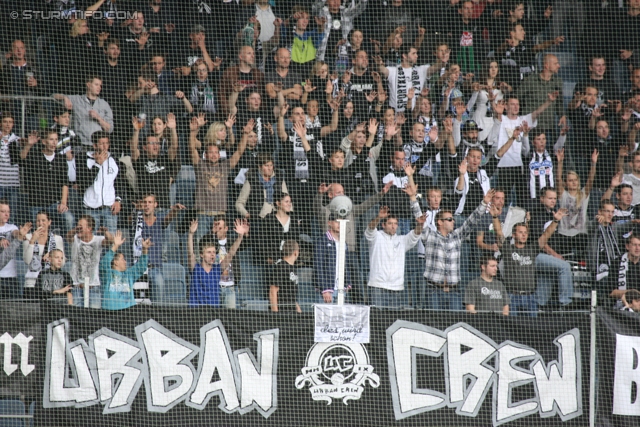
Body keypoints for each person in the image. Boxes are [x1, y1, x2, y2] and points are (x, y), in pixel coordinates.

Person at [420, 188, 495, 311]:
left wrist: (484, 203)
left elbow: (471, 221)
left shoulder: (456, 236)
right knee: (433, 326)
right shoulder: (430, 236)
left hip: (454, 292)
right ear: (439, 222)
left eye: (453, 219)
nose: (453, 221)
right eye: (449, 219)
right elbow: (419, 220)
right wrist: (413, 198)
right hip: (433, 292)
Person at [365, 205, 423, 308]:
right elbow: (370, 229)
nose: (393, 226)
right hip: (377, 286)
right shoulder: (376, 237)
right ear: (383, 225)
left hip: (396, 288)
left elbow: (415, 235)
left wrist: (420, 224)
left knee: (393, 321)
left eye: (395, 224)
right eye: (390, 223)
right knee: (376, 320)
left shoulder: (402, 240)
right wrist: (379, 217)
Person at [132, 194, 185, 304]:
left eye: (150, 202)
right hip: (138, 268)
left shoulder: (159, 220)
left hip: (155, 268)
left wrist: (174, 211)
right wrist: (135, 211)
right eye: (145, 202)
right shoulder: (137, 221)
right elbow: (129, 220)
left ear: (155, 205)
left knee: (158, 284)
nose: (147, 205)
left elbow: (168, 219)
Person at [18, 130, 74, 233]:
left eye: (56, 139)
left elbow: (64, 183)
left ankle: (65, 248)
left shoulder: (61, 159)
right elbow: (21, 159)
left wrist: (63, 203)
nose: (54, 142)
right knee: (36, 230)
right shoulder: (35, 156)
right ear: (44, 141)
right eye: (51, 139)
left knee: (69, 219)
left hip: (54, 204)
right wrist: (29, 145)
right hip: (36, 204)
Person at [187, 219, 249, 307]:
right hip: (196, 314)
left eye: (213, 252)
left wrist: (240, 237)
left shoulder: (217, 270)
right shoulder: (195, 268)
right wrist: (190, 234)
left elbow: (230, 254)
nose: (212, 255)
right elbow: (190, 254)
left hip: (213, 315)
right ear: (201, 254)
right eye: (209, 252)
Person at [76, 132, 124, 234]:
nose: (105, 146)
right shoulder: (83, 158)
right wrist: (97, 164)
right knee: (90, 240)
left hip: (109, 207)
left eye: (107, 143)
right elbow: (83, 182)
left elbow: (119, 181)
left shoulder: (114, 159)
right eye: (101, 143)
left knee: (111, 241)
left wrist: (118, 200)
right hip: (90, 209)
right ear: (94, 145)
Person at [554, 148, 598, 257]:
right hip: (564, 234)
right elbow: (558, 180)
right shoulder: (563, 195)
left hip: (580, 235)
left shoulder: (583, 194)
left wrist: (593, 164)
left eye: (575, 180)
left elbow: (590, 180)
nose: (573, 182)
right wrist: (560, 162)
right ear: (566, 183)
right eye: (570, 180)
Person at [130, 114, 179, 210]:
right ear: (144, 147)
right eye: (152, 143)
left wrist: (173, 129)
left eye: (157, 143)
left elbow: (174, 147)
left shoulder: (165, 159)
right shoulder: (141, 160)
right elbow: (133, 149)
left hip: (163, 207)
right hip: (145, 207)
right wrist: (136, 131)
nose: (155, 145)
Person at [66, 215, 112, 308]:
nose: (78, 228)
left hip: (93, 287)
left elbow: (110, 241)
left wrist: (105, 232)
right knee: (76, 316)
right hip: (76, 287)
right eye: (77, 226)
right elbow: (68, 236)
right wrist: (76, 229)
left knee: (94, 317)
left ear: (89, 228)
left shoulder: (98, 240)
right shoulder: (75, 239)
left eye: (81, 226)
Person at [53, 76, 114, 147]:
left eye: (100, 85)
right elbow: (53, 96)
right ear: (88, 84)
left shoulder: (104, 104)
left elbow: (110, 129)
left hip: (97, 145)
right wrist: (65, 98)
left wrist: (98, 118)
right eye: (96, 84)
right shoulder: (77, 99)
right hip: (79, 143)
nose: (99, 87)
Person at [494, 222, 538, 316]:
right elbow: (499, 232)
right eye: (520, 232)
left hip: (530, 297)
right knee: (512, 327)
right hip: (512, 296)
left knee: (533, 328)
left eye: (525, 233)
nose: (523, 235)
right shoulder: (508, 249)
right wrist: (494, 217)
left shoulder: (532, 249)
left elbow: (546, 235)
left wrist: (555, 221)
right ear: (513, 235)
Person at [100, 230, 151, 311]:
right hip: (110, 313)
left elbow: (141, 267)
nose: (125, 262)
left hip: (128, 314)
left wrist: (144, 250)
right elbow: (104, 264)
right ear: (116, 262)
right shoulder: (108, 275)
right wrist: (115, 246)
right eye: (123, 259)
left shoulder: (129, 274)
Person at [200, 215, 243, 308]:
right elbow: (203, 243)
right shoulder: (210, 242)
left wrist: (244, 234)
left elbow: (246, 244)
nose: (217, 229)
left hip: (230, 288)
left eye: (219, 228)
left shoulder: (232, 242)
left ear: (226, 228)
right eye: (215, 226)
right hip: (214, 287)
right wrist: (212, 233)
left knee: (230, 318)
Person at [23, 211, 65, 301]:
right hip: (32, 283)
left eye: (43, 220)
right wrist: (32, 241)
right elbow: (27, 260)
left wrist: (52, 256)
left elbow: (62, 261)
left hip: (50, 283)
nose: (40, 223)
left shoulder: (57, 239)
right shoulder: (28, 237)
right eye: (38, 221)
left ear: (49, 222)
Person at [374, 45, 430, 113]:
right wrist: (379, 65)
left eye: (416, 53)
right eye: (413, 53)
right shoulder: (393, 70)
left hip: (413, 115)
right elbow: (383, 70)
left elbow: (434, 68)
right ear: (404, 56)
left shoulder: (420, 70)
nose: (416, 56)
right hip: (395, 115)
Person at [235, 154, 288, 220]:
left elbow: (287, 199)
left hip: (277, 217)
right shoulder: (252, 180)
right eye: (266, 165)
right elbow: (239, 203)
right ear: (260, 166)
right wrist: (247, 214)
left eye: (271, 165)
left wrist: (289, 214)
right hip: (259, 218)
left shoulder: (279, 178)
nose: (269, 168)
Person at [315, 214, 352, 304]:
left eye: (341, 221)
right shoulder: (322, 241)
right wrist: (324, 289)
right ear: (329, 223)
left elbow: (346, 264)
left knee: (339, 317)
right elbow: (318, 266)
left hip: (341, 289)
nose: (339, 224)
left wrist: (348, 282)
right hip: (327, 290)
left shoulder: (344, 243)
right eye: (337, 221)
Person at [590, 199, 623, 297]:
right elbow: (592, 225)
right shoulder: (593, 225)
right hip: (597, 270)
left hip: (612, 269)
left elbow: (628, 225)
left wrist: (634, 221)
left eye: (612, 212)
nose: (610, 214)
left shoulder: (613, 228)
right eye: (607, 211)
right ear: (600, 211)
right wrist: (597, 220)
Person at [269, 240, 301, 313]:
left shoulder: (293, 268)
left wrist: (298, 310)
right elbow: (273, 291)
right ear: (295, 252)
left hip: (292, 312)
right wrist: (275, 314)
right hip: (282, 312)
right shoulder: (281, 267)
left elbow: (291, 295)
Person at [609, 234, 640, 308]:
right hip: (621, 308)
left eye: (639, 245)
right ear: (627, 246)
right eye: (634, 245)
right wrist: (631, 293)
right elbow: (611, 292)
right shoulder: (616, 263)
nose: (637, 248)